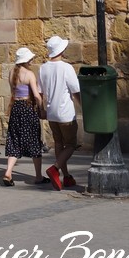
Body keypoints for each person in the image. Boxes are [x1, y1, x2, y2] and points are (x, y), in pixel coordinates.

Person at [38, 36, 81, 190]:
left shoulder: (43, 68)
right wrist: (83, 106)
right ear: (62, 50)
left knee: (58, 143)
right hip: (65, 113)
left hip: (51, 113)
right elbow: (76, 91)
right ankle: (55, 168)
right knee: (70, 145)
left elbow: (40, 93)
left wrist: (41, 110)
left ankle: (67, 176)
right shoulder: (66, 68)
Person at [1, 47, 46, 186]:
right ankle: (38, 176)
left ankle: (8, 172)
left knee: (14, 140)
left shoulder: (11, 73)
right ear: (25, 60)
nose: (32, 60)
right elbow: (37, 96)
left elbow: (13, 93)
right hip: (27, 109)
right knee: (33, 141)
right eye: (30, 58)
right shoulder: (29, 74)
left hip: (16, 109)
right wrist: (42, 109)